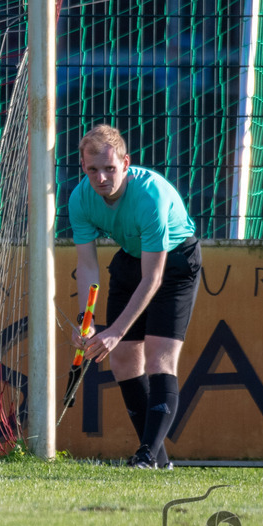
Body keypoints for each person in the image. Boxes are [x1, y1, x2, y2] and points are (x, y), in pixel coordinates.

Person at [68, 124, 201, 469]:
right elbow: (87, 265)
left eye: (109, 168)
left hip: (175, 261)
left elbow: (153, 277)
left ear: (126, 163)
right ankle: (158, 461)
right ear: (83, 166)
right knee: (124, 361)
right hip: (130, 256)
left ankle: (146, 457)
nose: (101, 178)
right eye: (92, 169)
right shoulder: (80, 199)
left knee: (159, 359)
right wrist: (87, 321)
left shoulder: (150, 196)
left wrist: (114, 331)